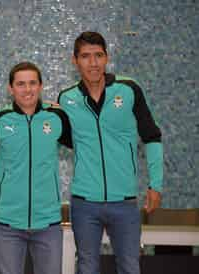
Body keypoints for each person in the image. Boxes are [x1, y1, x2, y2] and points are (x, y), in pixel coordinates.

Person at [58, 31, 163, 274]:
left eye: (98, 55)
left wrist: (155, 185)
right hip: (84, 203)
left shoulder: (128, 90)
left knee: (129, 267)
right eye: (85, 56)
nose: (93, 63)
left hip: (124, 202)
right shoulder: (67, 99)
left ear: (107, 58)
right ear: (75, 61)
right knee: (87, 267)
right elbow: (59, 140)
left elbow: (152, 137)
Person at [0, 62, 71, 274]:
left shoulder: (56, 118)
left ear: (41, 86)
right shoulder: (0, 120)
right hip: (9, 225)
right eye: (21, 84)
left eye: (32, 83)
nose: (27, 89)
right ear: (11, 88)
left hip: (48, 224)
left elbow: (85, 144)